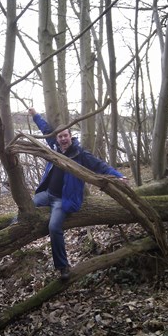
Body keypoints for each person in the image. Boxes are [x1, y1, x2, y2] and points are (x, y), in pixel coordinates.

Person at [29, 107, 127, 281]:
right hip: (47, 194)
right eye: (60, 137)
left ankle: (63, 267)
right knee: (29, 204)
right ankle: (14, 225)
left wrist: (118, 176)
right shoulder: (54, 146)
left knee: (53, 227)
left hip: (61, 200)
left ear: (70, 136)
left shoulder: (79, 154)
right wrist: (35, 115)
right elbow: (46, 130)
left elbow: (100, 166)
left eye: (65, 136)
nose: (63, 139)